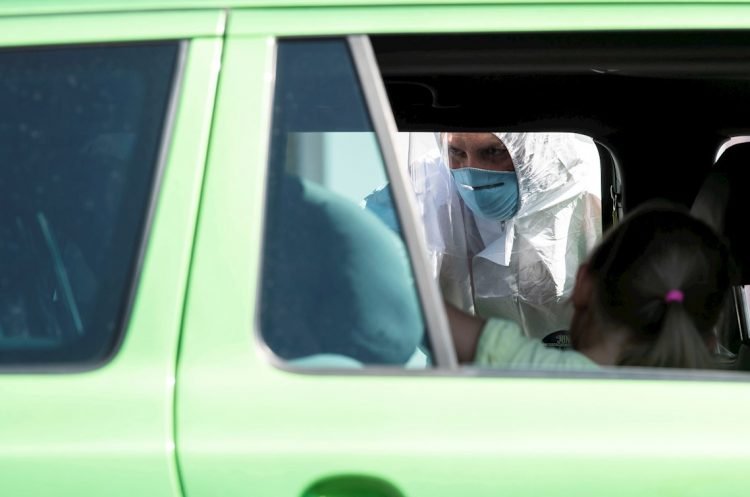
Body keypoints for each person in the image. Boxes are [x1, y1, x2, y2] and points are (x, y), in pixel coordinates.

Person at [366, 132, 602, 340]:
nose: (471, 169)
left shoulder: (598, 192)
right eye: (455, 152)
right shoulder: (420, 196)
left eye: (493, 151)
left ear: (533, 148)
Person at [447, 203, 735, 370]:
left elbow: (416, 308)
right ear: (710, 338)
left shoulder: (539, 373)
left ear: (583, 284)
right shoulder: (732, 412)